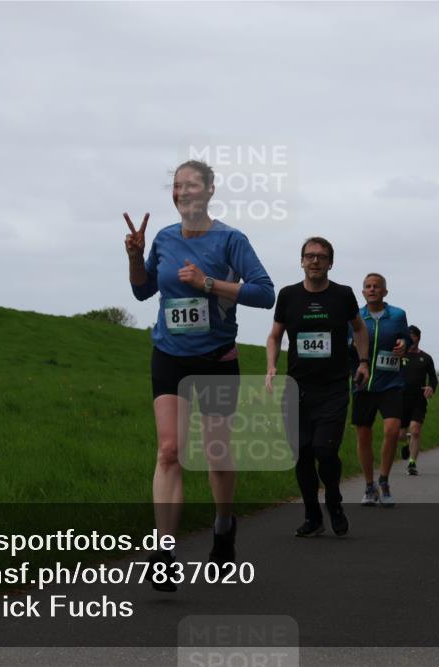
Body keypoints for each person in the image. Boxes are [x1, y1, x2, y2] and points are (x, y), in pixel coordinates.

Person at [126, 160, 274, 591]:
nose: (183, 192)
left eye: (191, 185)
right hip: (169, 354)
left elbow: (265, 293)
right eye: (177, 186)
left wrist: (208, 283)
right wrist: (135, 257)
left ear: (209, 191)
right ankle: (164, 553)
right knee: (169, 451)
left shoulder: (231, 240)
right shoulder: (164, 238)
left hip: (216, 359)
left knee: (216, 454)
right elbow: (142, 290)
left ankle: (224, 526)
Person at [266, 237, 369, 537]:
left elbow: (359, 328)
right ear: (301, 261)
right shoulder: (288, 295)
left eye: (321, 257)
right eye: (309, 256)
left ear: (330, 263)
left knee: (324, 450)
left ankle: (333, 501)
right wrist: (271, 366)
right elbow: (275, 335)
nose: (315, 261)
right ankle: (312, 515)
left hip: (333, 387)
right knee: (302, 453)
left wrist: (363, 362)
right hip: (297, 388)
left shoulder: (343, 294)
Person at [351, 273, 410, 507]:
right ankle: (369, 485)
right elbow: (346, 344)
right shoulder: (355, 317)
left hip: (391, 383)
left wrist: (404, 344)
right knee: (363, 435)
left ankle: (384, 480)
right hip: (363, 384)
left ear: (385, 292)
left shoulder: (397, 315)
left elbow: (406, 339)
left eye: (377, 286)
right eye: (368, 286)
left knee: (392, 430)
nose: (372, 289)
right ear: (363, 292)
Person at [398, 325, 437, 476]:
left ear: (418, 338)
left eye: (413, 336)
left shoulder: (426, 358)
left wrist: (431, 387)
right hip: (400, 399)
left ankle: (412, 463)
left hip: (418, 400)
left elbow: (433, 378)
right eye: (407, 336)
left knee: (415, 430)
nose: (410, 339)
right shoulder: (398, 355)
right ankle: (407, 442)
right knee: (400, 435)